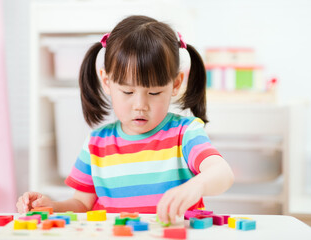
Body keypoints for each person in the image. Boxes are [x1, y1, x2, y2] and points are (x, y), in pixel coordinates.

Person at [17, 15, 234, 224]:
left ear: (176, 84)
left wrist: (196, 186)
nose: (140, 105)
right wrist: (51, 207)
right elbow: (81, 204)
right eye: (128, 92)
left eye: (154, 93)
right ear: (106, 81)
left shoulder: (185, 134)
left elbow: (222, 173)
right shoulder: (96, 144)